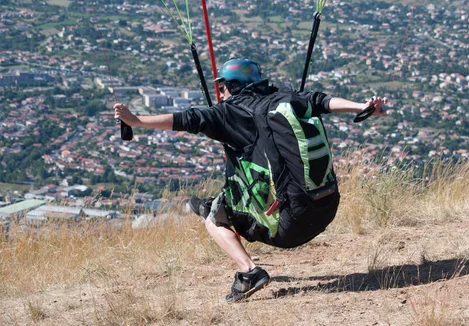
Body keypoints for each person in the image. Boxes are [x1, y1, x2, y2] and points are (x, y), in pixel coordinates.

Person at [114, 58, 387, 302]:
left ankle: (249, 272)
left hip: (288, 226)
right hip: (325, 210)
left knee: (211, 214)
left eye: (221, 87)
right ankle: (225, 211)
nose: (219, 93)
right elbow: (321, 101)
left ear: (228, 86)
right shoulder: (285, 98)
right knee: (220, 201)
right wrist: (362, 107)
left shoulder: (229, 112)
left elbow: (187, 119)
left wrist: (138, 121)